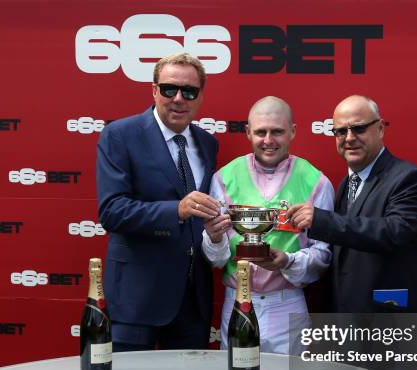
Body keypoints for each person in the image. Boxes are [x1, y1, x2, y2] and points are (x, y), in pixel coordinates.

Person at [96, 53, 221, 351]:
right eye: (169, 89)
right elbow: (112, 211)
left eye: (189, 91)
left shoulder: (207, 143)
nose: (179, 98)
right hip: (136, 302)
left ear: (201, 96)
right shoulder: (120, 136)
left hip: (192, 302)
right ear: (154, 90)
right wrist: (175, 210)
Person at [202, 96, 334, 354]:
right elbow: (216, 260)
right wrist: (215, 239)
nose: (268, 140)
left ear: (293, 131)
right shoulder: (223, 178)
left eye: (277, 132)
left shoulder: (316, 181)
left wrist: (286, 261)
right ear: (248, 132)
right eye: (261, 132)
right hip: (237, 300)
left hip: (288, 304)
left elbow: (323, 255)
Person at [288, 94, 417, 314]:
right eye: (340, 131)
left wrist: (320, 220)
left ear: (380, 129)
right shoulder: (346, 184)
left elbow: (395, 232)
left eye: (359, 128)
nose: (349, 138)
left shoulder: (409, 178)